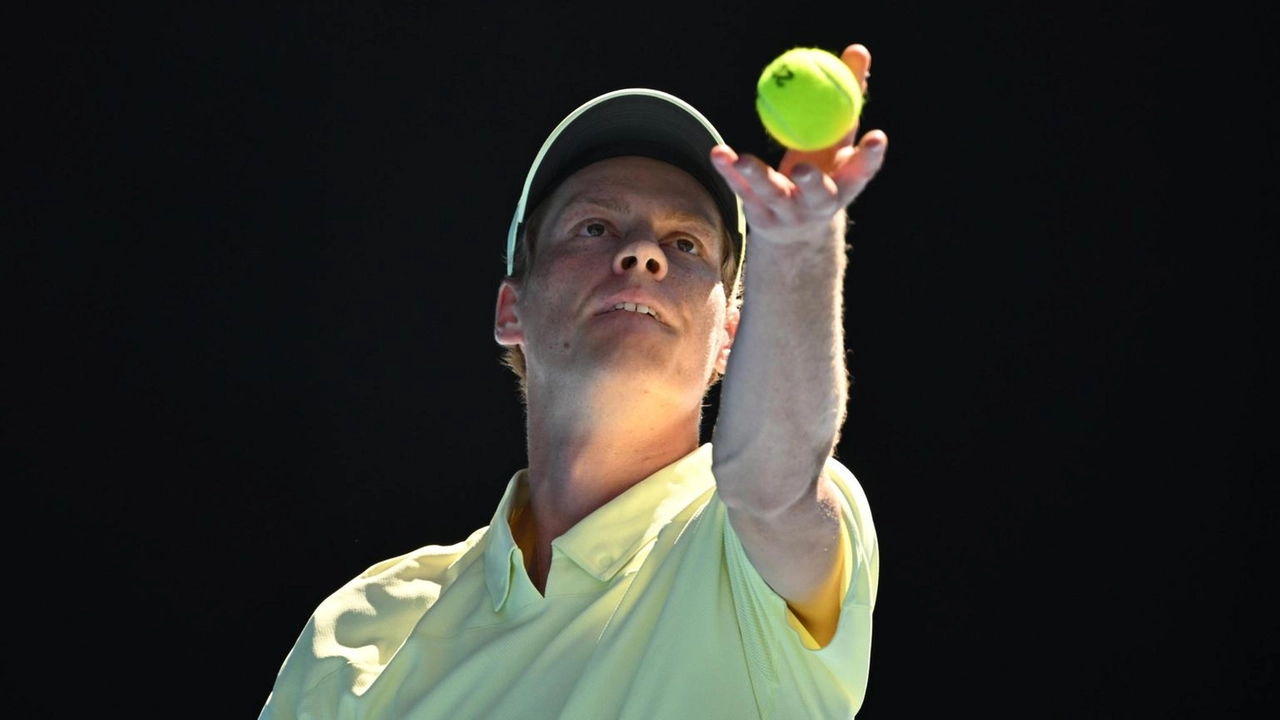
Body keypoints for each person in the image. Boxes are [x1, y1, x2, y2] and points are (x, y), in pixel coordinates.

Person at [259, 42, 888, 720]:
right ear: (510, 308)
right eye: (594, 226)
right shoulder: (360, 630)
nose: (641, 252)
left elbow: (774, 486)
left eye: (686, 245)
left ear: (728, 339)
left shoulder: (746, 547)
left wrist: (797, 248)